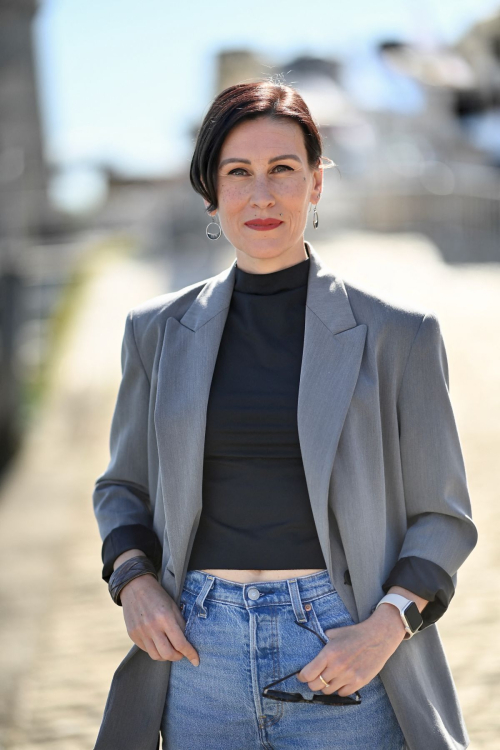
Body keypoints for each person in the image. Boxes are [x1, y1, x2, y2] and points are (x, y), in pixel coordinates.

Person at [92, 81, 477, 750]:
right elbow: (122, 487)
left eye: (283, 170)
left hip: (344, 648)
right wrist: (135, 585)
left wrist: (383, 628)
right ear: (211, 194)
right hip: (197, 652)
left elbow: (442, 520)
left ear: (316, 185)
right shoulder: (154, 332)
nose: (261, 195)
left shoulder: (400, 336)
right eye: (237, 173)